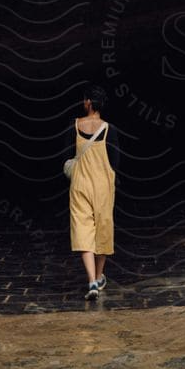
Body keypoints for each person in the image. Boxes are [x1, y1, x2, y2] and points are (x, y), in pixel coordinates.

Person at [67, 85, 118, 300]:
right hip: (103, 186)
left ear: (88, 102)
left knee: (83, 229)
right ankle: (98, 276)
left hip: (80, 185)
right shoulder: (109, 129)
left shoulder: (75, 125)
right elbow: (115, 161)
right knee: (103, 230)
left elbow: (66, 154)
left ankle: (91, 282)